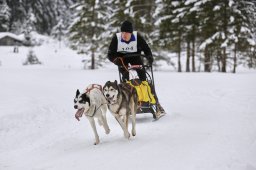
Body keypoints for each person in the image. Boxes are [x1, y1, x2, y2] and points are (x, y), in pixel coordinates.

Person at [107, 20, 166, 117]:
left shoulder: (137, 37)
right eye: (123, 33)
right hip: (122, 61)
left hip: (136, 59)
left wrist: (149, 57)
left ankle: (156, 105)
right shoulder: (116, 39)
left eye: (127, 33)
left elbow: (146, 49)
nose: (124, 35)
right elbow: (110, 54)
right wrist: (115, 60)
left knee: (144, 81)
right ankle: (127, 105)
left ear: (131, 33)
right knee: (126, 83)